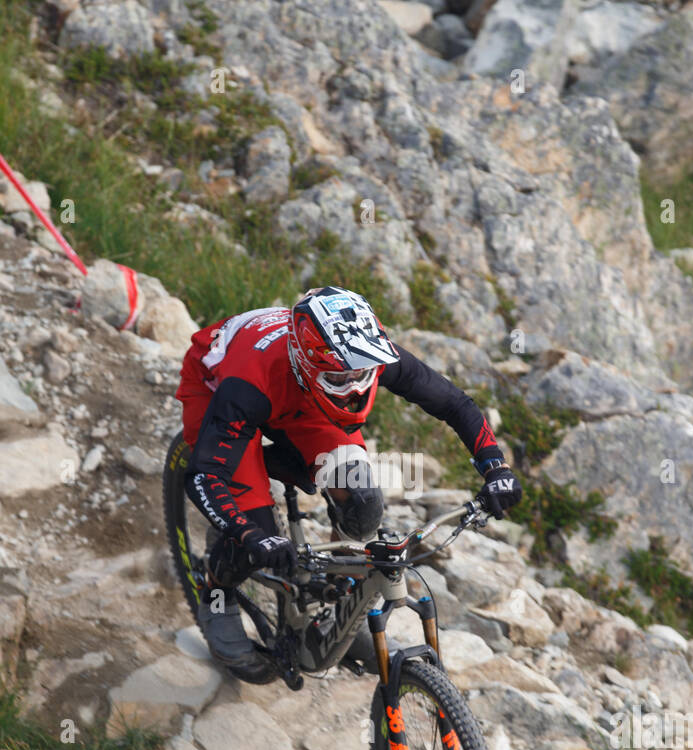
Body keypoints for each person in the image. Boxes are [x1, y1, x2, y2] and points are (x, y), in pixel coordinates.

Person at [176, 285, 522, 679]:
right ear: (309, 364)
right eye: (340, 378)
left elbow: (454, 403)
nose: (355, 387)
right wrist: (250, 534)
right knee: (254, 535)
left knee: (362, 502)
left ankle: (339, 616)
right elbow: (205, 475)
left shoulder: (362, 352)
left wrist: (496, 467)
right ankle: (215, 592)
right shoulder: (247, 382)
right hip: (220, 388)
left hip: (301, 393)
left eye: (361, 374)